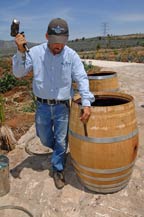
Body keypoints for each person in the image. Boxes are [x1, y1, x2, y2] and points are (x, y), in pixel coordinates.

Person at [12, 18, 94, 189]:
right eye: (55, 42)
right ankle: (60, 151)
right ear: (46, 36)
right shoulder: (34, 53)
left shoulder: (71, 55)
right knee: (44, 137)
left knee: (61, 139)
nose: (59, 46)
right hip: (42, 106)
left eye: (63, 42)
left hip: (62, 107)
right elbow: (18, 73)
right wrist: (20, 51)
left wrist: (86, 102)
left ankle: (58, 168)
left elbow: (81, 78)